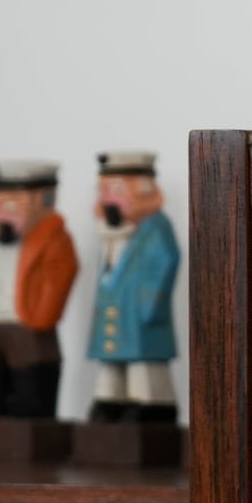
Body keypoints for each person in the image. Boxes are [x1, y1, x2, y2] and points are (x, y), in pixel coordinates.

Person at [0, 160, 78, 420]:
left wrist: (42, 317)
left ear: (44, 201)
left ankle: (27, 414)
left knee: (29, 373)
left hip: (27, 322)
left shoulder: (54, 240)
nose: (0, 214)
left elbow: (58, 279)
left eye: (11, 206)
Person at [85, 151, 181, 424]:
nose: (108, 198)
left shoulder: (156, 228)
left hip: (140, 313)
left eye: (117, 189)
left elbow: (166, 261)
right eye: (104, 189)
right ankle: (110, 401)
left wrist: (148, 304)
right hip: (114, 311)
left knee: (143, 364)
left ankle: (150, 405)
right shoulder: (111, 232)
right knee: (112, 362)